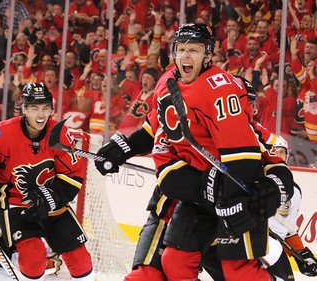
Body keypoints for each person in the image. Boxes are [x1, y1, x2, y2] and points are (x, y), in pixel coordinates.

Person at [95, 23, 293, 280]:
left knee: (239, 273)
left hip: (232, 190)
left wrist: (231, 200)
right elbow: (157, 124)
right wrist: (124, 146)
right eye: (181, 50)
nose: (186, 56)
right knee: (175, 262)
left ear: (208, 55)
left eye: (194, 51)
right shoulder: (167, 82)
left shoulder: (219, 88)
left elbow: (242, 155)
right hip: (198, 196)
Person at [0, 82, 96, 280]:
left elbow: (73, 174)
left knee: (80, 260)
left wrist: (52, 198)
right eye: (34, 108)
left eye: (45, 108)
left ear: (52, 108)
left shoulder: (59, 133)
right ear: (24, 109)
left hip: (52, 203)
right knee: (34, 260)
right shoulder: (2, 133)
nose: (41, 115)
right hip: (17, 204)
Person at [263, 136, 317, 279]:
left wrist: (301, 252)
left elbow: (287, 229)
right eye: (274, 152)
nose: (279, 156)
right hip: (251, 244)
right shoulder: (253, 180)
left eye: (282, 152)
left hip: (274, 247)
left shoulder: (294, 192)